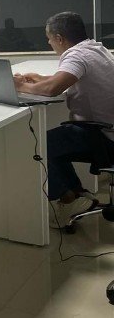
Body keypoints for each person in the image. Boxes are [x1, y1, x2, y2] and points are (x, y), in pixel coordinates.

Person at [13, 12, 114, 227]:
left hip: (104, 137)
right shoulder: (96, 49)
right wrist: (40, 79)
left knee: (39, 143)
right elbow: (66, 79)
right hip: (106, 131)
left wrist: (20, 86)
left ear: (59, 38)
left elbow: (52, 90)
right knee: (57, 140)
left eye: (49, 39)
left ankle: (68, 200)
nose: (49, 43)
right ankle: (77, 194)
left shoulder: (76, 55)